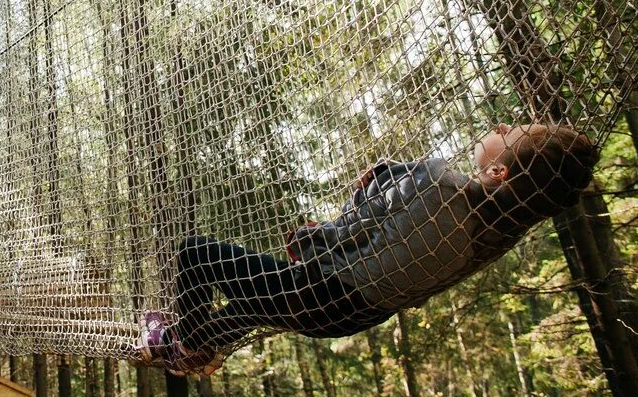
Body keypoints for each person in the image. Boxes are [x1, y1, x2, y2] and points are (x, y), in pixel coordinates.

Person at [140, 123, 598, 376]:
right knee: (245, 308)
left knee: (195, 255)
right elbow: (394, 238)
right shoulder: (493, 234)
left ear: (499, 173)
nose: (501, 124)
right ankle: (193, 345)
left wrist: (312, 238)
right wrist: (389, 172)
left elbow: (357, 230)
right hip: (348, 316)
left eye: (512, 129)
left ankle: (187, 345)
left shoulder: (437, 186)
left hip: (321, 290)